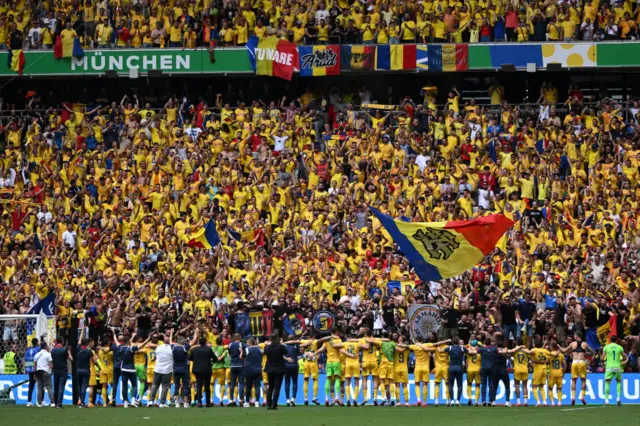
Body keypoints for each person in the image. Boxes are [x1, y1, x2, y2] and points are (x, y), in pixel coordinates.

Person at [560, 331, 594, 405]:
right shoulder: (585, 344)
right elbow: (593, 352)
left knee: (573, 381)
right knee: (583, 380)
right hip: (582, 362)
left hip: (574, 362)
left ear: (576, 336)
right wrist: (586, 354)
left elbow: (564, 351)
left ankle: (573, 397)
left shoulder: (572, 344)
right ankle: (581, 396)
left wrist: (558, 346)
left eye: (574, 336)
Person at [189, 336, 221, 407]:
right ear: (205, 342)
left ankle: (199, 402)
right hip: (207, 370)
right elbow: (215, 359)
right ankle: (208, 403)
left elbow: (190, 358)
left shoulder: (195, 350)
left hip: (197, 370)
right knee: (207, 386)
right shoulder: (209, 349)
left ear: (199, 343)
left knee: (199, 386)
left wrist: (197, 360)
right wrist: (210, 360)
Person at [170, 328, 198, 408]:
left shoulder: (173, 348)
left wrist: (172, 333)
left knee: (176, 386)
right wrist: (196, 332)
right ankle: (185, 403)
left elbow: (170, 341)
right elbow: (193, 341)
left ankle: (176, 403)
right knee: (185, 386)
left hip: (175, 369)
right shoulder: (184, 348)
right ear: (182, 342)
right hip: (184, 369)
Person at [147, 333, 173, 408]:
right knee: (165, 387)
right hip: (167, 371)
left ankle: (150, 401)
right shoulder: (172, 349)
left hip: (158, 369)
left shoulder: (158, 348)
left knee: (154, 385)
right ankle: (162, 403)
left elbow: (155, 357)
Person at [602, 335, 628, 406]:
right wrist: (623, 362)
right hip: (617, 366)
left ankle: (606, 400)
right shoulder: (620, 347)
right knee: (618, 382)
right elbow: (625, 357)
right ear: (616, 340)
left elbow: (602, 358)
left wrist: (602, 363)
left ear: (610, 340)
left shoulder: (606, 347)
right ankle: (618, 398)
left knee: (607, 382)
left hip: (609, 366)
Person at [76, 333, 100, 407]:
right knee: (84, 386)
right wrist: (99, 367)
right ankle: (82, 403)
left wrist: (82, 331)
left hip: (78, 370)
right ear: (87, 343)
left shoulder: (78, 348)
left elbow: (79, 341)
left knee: (80, 386)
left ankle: (80, 400)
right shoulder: (89, 351)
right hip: (86, 370)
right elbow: (94, 361)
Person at [264, 334, 286, 410]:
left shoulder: (267, 347)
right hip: (279, 369)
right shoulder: (281, 346)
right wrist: (282, 343)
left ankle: (268, 404)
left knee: (270, 387)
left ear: (270, 339)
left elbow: (265, 353)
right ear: (277, 339)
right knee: (277, 388)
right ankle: (274, 404)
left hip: (269, 369)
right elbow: (286, 351)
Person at [442, 338, 467, 406]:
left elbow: (441, 350)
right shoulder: (462, 348)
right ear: (458, 342)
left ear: (452, 342)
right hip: (459, 368)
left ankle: (452, 400)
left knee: (450, 384)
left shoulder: (449, 347)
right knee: (459, 385)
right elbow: (469, 352)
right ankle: (458, 401)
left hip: (451, 368)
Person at [51, 337, 71, 408]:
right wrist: (68, 352)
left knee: (56, 387)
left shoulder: (53, 350)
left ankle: (56, 403)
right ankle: (59, 404)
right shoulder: (64, 350)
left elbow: (52, 361)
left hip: (55, 370)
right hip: (63, 370)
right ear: (62, 342)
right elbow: (71, 359)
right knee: (61, 387)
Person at [227, 333, 246, 407]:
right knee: (241, 383)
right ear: (240, 337)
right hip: (240, 365)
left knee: (232, 383)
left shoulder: (230, 344)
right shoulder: (242, 344)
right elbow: (247, 350)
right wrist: (241, 353)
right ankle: (241, 399)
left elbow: (229, 353)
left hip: (233, 365)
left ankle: (231, 400)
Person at [34, 341, 54, 408]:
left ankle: (39, 403)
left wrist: (35, 374)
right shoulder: (48, 354)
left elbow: (35, 366)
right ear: (45, 346)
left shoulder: (36, 355)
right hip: (45, 372)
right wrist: (52, 370)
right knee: (49, 387)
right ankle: (52, 402)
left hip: (38, 372)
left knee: (39, 387)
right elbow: (51, 365)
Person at [243, 338, 263, 408]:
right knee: (257, 386)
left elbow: (242, 356)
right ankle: (257, 402)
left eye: (247, 342)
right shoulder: (260, 349)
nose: (246, 344)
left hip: (249, 370)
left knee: (248, 386)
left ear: (250, 343)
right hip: (258, 370)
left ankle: (247, 402)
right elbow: (262, 355)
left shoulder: (247, 349)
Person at [478, 336, 496, 406]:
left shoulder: (482, 349)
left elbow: (475, 351)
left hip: (483, 368)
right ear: (490, 343)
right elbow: (499, 351)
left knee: (483, 385)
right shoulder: (494, 349)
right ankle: (490, 401)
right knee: (491, 385)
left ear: (484, 343)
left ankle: (483, 401)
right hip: (491, 368)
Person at [511, 338, 530, 407]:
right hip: (525, 369)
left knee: (517, 386)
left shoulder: (515, 350)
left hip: (517, 369)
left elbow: (510, 352)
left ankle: (518, 402)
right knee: (525, 386)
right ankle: (525, 401)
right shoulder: (526, 350)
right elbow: (530, 355)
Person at [283, 336, 302, 406]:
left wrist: (286, 359)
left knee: (287, 382)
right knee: (294, 382)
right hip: (294, 365)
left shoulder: (284, 346)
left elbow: (281, 355)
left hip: (286, 366)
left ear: (287, 339)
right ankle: (293, 398)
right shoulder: (296, 346)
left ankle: (287, 400)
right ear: (293, 340)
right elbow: (300, 354)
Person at [548, 342, 566, 407]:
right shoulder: (561, 355)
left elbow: (546, 362)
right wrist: (563, 372)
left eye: (550, 346)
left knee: (550, 389)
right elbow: (565, 364)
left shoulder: (550, 355)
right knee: (559, 389)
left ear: (552, 347)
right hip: (559, 373)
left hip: (552, 374)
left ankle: (552, 402)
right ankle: (559, 402)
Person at [24, 338, 41, 407]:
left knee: (31, 385)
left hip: (29, 368)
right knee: (39, 384)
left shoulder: (28, 350)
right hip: (36, 368)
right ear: (37, 342)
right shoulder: (38, 349)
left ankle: (29, 401)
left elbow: (25, 359)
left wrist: (25, 369)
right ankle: (38, 401)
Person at [465, 339, 481, 406]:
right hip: (478, 369)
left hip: (470, 369)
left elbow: (465, 347)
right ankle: (476, 401)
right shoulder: (480, 351)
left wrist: (469, 346)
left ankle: (469, 398)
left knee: (469, 384)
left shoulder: (468, 351)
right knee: (477, 385)